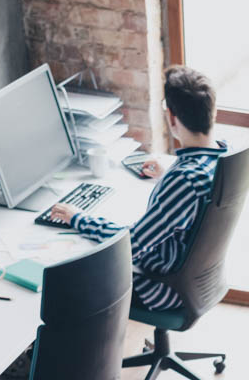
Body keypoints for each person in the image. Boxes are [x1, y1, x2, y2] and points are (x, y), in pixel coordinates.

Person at [45, 65, 224, 312]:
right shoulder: (222, 159)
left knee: (64, 282)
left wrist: (79, 219)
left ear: (172, 119)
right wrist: (166, 176)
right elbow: (193, 197)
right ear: (212, 112)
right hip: (199, 280)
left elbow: (131, 244)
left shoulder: (185, 181)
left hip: (162, 287)